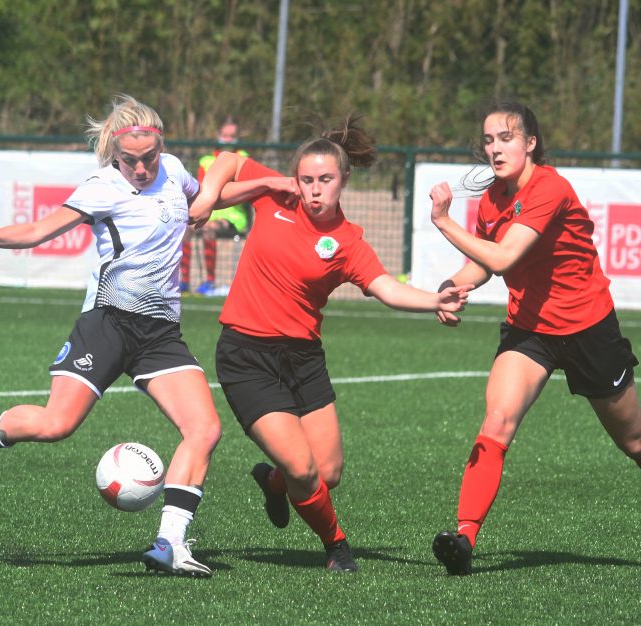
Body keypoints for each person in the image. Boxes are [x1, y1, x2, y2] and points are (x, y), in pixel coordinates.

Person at [0, 94, 222, 578]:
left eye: (149, 158)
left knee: (204, 429)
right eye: (131, 162)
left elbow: (200, 201)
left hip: (160, 332)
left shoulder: (174, 169)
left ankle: (170, 544)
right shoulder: (102, 187)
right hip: (107, 323)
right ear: (114, 156)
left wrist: (242, 189)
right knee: (55, 425)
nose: (142, 169)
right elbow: (39, 231)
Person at [190, 114, 471, 572]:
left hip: (303, 359)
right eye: (307, 180)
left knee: (328, 472)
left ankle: (274, 483)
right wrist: (214, 195)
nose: (314, 189)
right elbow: (225, 160)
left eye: (324, 179)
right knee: (305, 471)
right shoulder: (275, 197)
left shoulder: (349, 241)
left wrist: (433, 300)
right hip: (246, 355)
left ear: (343, 181)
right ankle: (337, 546)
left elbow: (385, 287)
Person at [427, 99, 640, 576]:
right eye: (488, 140)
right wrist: (453, 285)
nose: (496, 149)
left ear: (530, 143)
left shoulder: (550, 187)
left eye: (506, 138)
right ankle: (463, 539)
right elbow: (484, 262)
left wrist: (443, 222)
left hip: (587, 327)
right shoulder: (491, 198)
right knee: (496, 421)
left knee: (634, 442)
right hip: (530, 330)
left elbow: (504, 258)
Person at [180, 117, 250, 295]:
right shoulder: (206, 160)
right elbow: (201, 190)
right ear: (219, 135)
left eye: (232, 135)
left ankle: (210, 281)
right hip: (209, 212)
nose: (228, 139)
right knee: (184, 229)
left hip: (233, 217)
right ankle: (184, 282)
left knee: (209, 229)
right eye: (225, 135)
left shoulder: (243, 157)